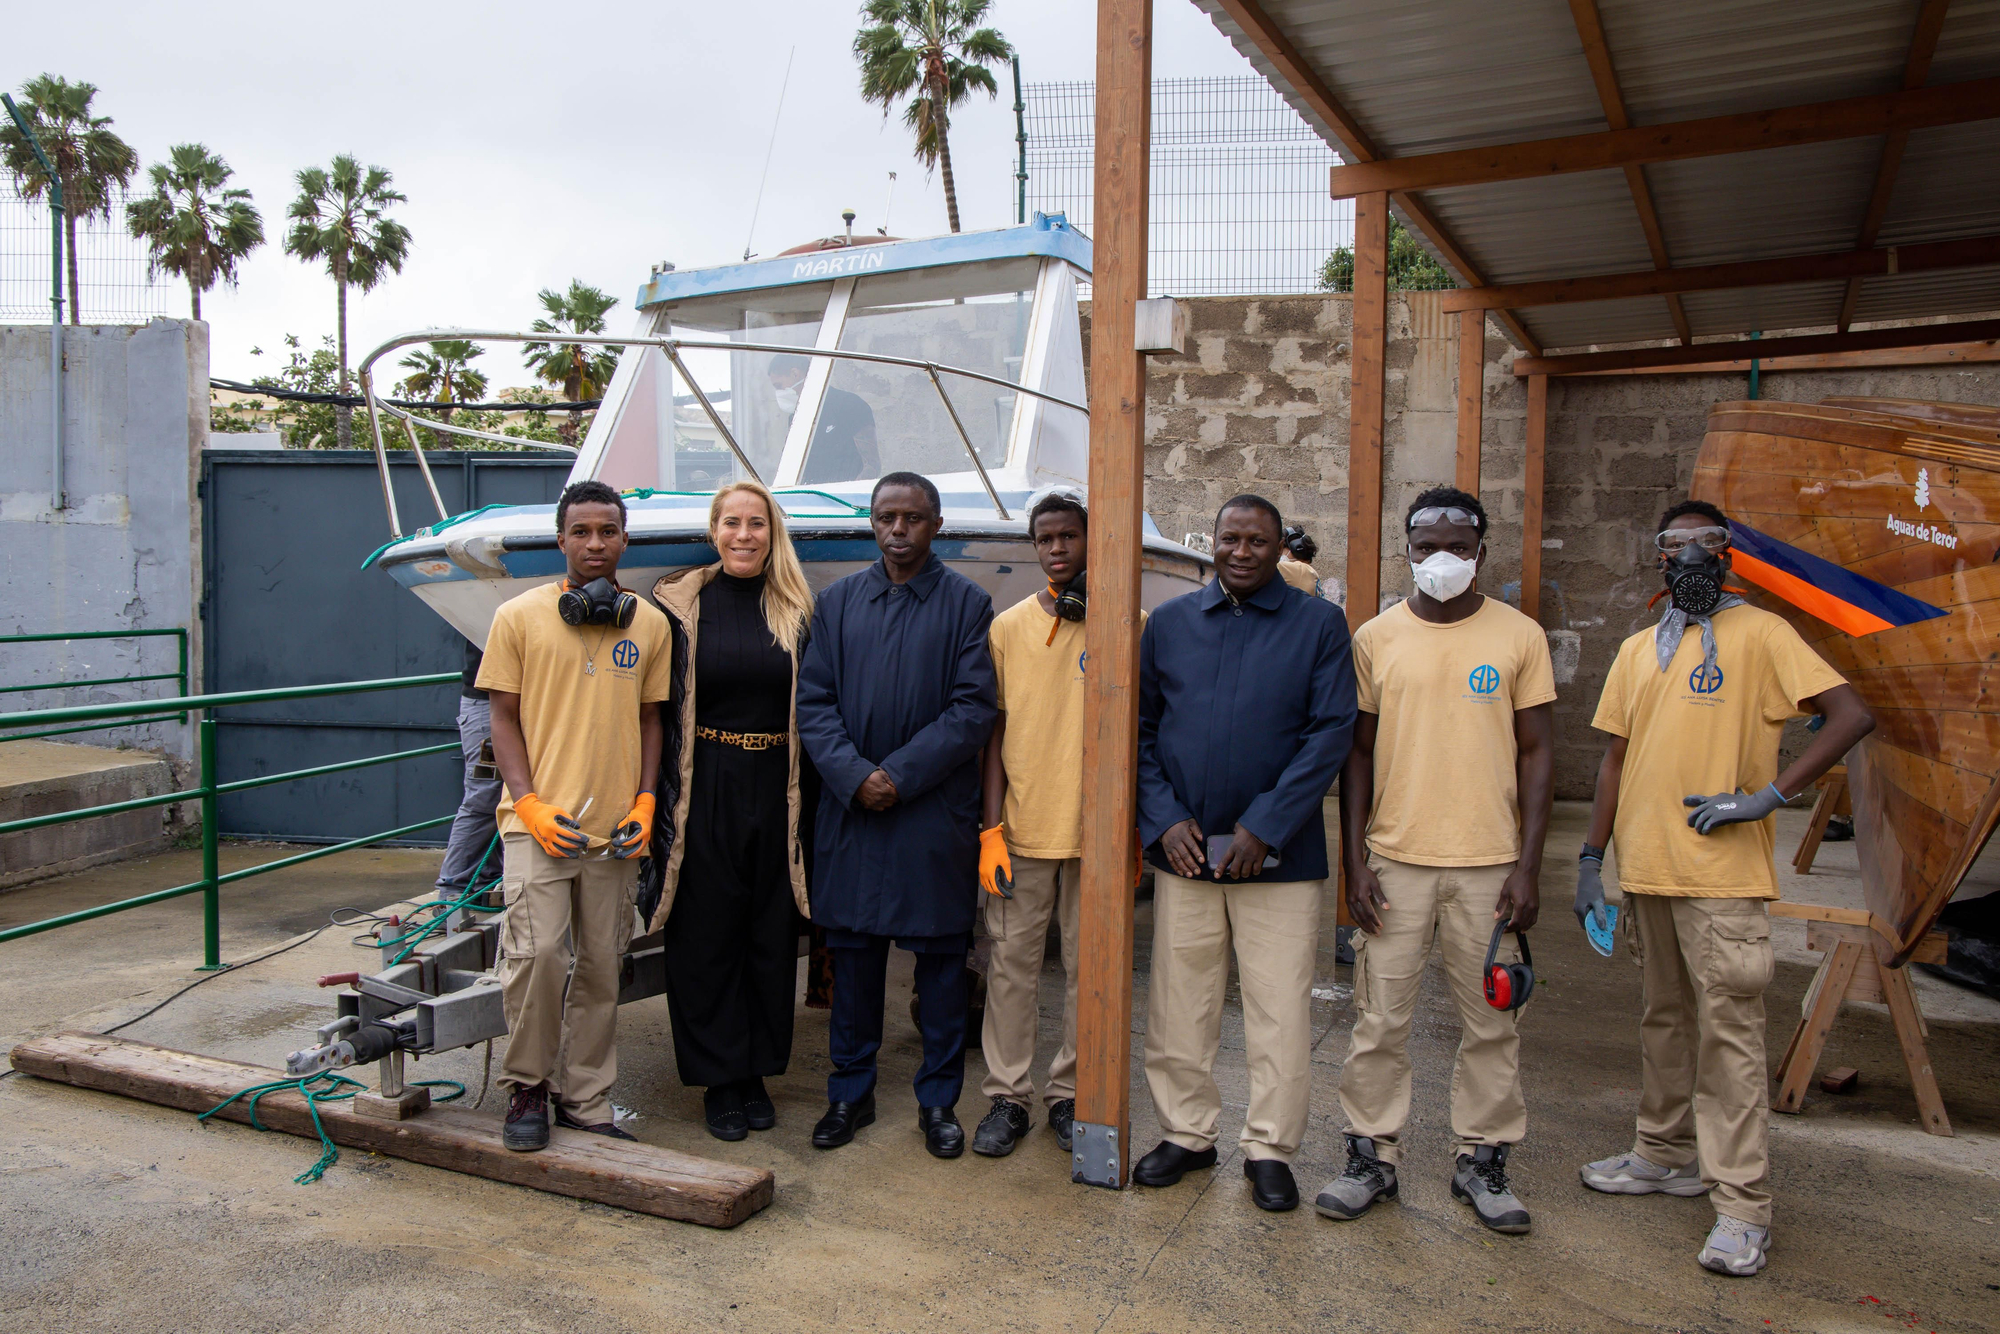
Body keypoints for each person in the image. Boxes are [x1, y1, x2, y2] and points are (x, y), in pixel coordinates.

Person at [1576, 499, 1874, 1277]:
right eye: (1674, 547)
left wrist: (1772, 796)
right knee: (1663, 1021)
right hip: (1647, 871)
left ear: (1729, 555)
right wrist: (1589, 860)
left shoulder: (1764, 636)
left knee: (1731, 1040)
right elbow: (1614, 760)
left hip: (1722, 879)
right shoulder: (1641, 649)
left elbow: (1849, 715)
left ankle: (1743, 1208)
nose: (1690, 559)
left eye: (1706, 545)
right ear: (1657, 559)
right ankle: (1662, 1153)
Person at [1313, 486, 1555, 1235]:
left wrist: (1528, 866)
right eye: (1427, 547)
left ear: (1482, 552)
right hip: (1395, 864)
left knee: (1492, 1022)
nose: (1442, 559)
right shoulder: (1375, 638)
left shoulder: (1519, 636)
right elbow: (1356, 757)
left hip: (1489, 865)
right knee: (1380, 1019)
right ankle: (1370, 1157)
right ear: (1406, 551)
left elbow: (1541, 751)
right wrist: (1355, 863)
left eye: (1458, 545)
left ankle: (1482, 1162)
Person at [1133, 493, 1357, 1212]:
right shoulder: (1168, 625)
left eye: (1256, 541)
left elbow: (1330, 732)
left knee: (1278, 1009)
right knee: (1180, 1003)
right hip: (1188, 855)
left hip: (1278, 860)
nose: (1240, 551)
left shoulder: (1319, 625)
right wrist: (1164, 820)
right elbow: (1139, 729)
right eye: (1229, 538)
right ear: (1214, 544)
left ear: (1278, 546)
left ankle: (1269, 1149)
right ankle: (1187, 1133)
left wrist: (1267, 826)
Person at [796, 470, 998, 1158]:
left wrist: (899, 776)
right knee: (852, 965)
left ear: (935, 525)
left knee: (942, 970)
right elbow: (813, 705)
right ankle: (849, 1093)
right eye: (887, 517)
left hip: (930, 815)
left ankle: (937, 1102)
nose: (899, 530)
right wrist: (856, 777)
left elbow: (972, 709)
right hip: (854, 812)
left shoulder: (969, 605)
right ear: (872, 524)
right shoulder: (839, 603)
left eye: (913, 518)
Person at [480, 479, 672, 1152]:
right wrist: (527, 802)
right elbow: (501, 719)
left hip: (615, 830)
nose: (596, 543)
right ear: (561, 540)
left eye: (609, 531)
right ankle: (528, 1085)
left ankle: (585, 1094)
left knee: (599, 965)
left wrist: (646, 802)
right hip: (538, 824)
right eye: (582, 531)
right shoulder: (518, 618)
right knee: (536, 957)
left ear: (626, 540)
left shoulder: (647, 625)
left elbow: (652, 721)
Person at [643, 480, 816, 1142]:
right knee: (706, 935)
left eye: (757, 524)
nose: (744, 535)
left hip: (779, 784)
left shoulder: (797, 608)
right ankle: (720, 1080)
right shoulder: (680, 603)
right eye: (732, 523)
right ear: (713, 531)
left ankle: (757, 1072)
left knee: (769, 937)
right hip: (704, 781)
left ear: (774, 534)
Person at [968, 486, 1109, 1159]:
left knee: (1089, 970)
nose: (1057, 550)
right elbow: (992, 736)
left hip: (1097, 839)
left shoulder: (1123, 620)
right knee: (1013, 968)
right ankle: (1007, 1095)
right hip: (1023, 832)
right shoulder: (1007, 627)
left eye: (1069, 537)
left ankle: (1071, 1093)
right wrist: (990, 828)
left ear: (1091, 541)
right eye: (1045, 539)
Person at [433, 638, 501, 904]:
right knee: (485, 797)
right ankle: (453, 888)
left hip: (500, 700)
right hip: (488, 703)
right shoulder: (491, 604)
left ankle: (485, 880)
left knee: (499, 798)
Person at [767, 353, 881, 485]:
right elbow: (791, 467)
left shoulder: (849, 405)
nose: (779, 393)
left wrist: (847, 496)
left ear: (795, 374)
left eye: (779, 386)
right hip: (808, 498)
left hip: (844, 499)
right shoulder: (796, 418)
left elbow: (871, 464)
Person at [1278, 525, 1320, 596]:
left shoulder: (1300, 570)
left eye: (1282, 547)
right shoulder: (1307, 571)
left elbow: (1265, 566)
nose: (1279, 552)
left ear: (1297, 548)